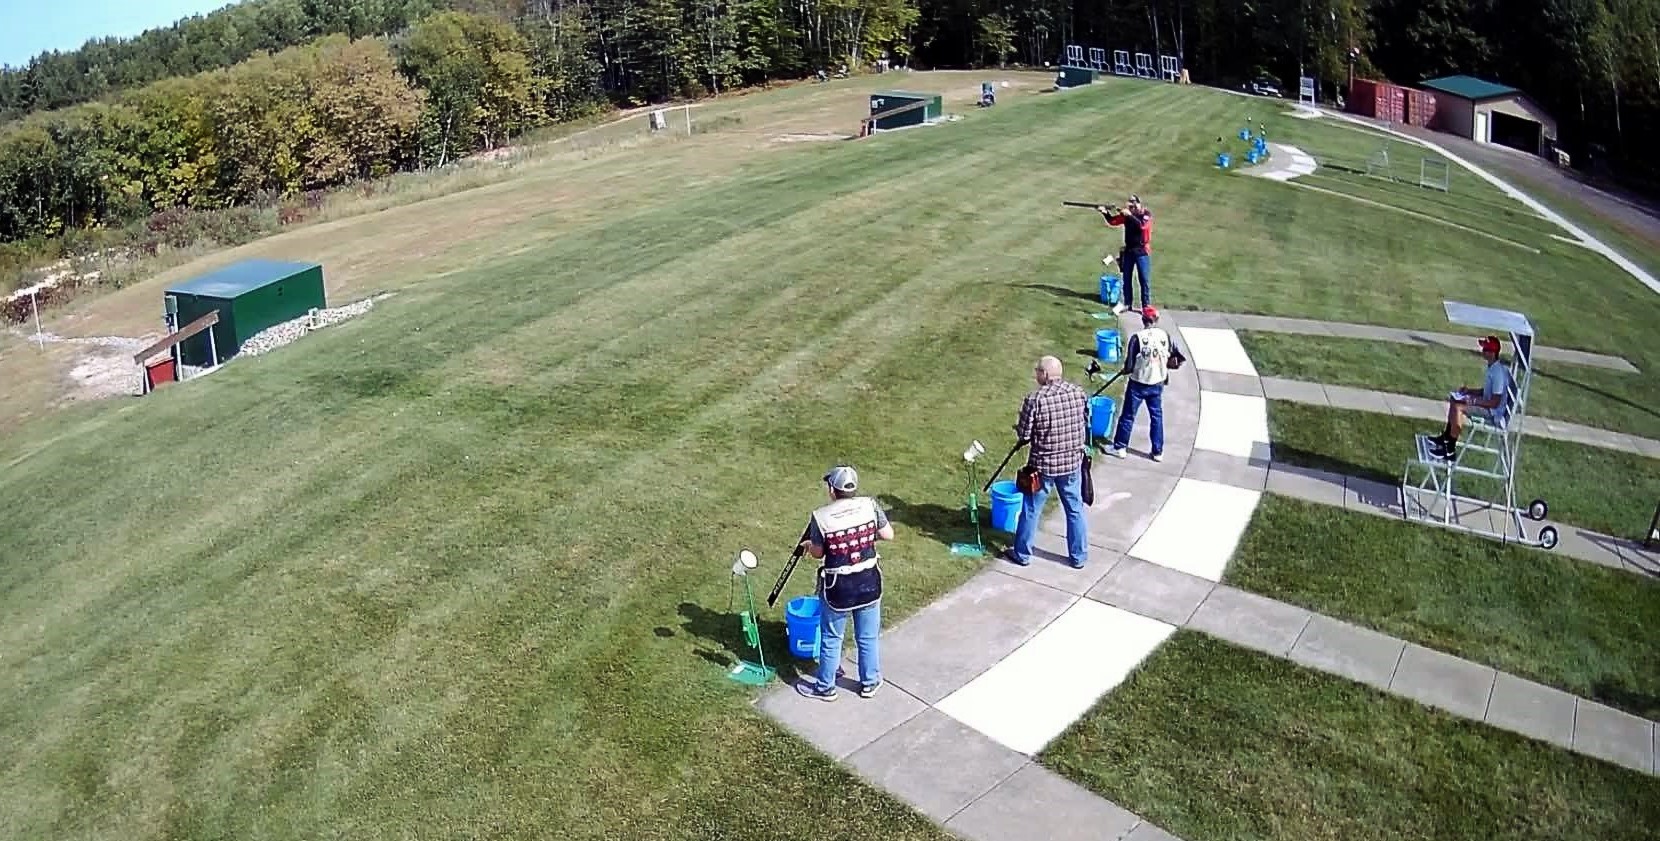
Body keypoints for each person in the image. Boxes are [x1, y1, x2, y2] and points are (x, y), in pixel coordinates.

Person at [796, 464, 894, 701]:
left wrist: (809, 546)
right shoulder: (870, 504)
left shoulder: (820, 516)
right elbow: (887, 534)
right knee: (867, 637)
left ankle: (825, 687)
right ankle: (870, 682)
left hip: (838, 587)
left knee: (831, 637)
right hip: (869, 581)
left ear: (832, 489)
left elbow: (819, 553)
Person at [1003, 356, 1091, 569]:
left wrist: (1021, 430)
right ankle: (1078, 556)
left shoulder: (1035, 399)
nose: (1036, 375)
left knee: (1031, 509)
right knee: (1074, 509)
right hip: (1071, 463)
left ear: (1045, 374)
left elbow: (1024, 434)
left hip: (1043, 466)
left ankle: (1022, 553)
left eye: (1037, 371)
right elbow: (1085, 421)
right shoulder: (1078, 393)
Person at [1108, 306, 1187, 462]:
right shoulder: (1166, 336)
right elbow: (1176, 356)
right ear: (1156, 320)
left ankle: (1120, 447)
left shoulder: (1137, 338)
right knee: (1156, 416)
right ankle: (1157, 451)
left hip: (1138, 382)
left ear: (1143, 319)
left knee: (1128, 416)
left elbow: (1130, 366)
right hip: (1157, 383)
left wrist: (1125, 369)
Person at [1428, 335, 1513, 460]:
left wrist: (1473, 401)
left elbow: (1494, 402)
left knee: (1458, 407)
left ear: (1492, 353)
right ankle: (1446, 437)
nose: (1482, 351)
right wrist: (1470, 392)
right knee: (1454, 400)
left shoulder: (1497, 373)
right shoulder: (1492, 368)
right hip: (1487, 405)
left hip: (1492, 412)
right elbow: (1487, 392)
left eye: (1485, 349)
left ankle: (1449, 450)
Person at [1098, 195, 1153, 314]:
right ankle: (1128, 303)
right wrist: (1105, 213)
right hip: (1129, 251)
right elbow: (1113, 221)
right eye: (1130, 205)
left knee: (1144, 280)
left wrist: (1129, 215)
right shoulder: (1127, 216)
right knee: (1126, 278)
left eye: (1134, 204)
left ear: (1139, 204)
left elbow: (1142, 227)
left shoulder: (1146, 215)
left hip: (1142, 251)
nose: (1132, 207)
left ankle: (1146, 306)